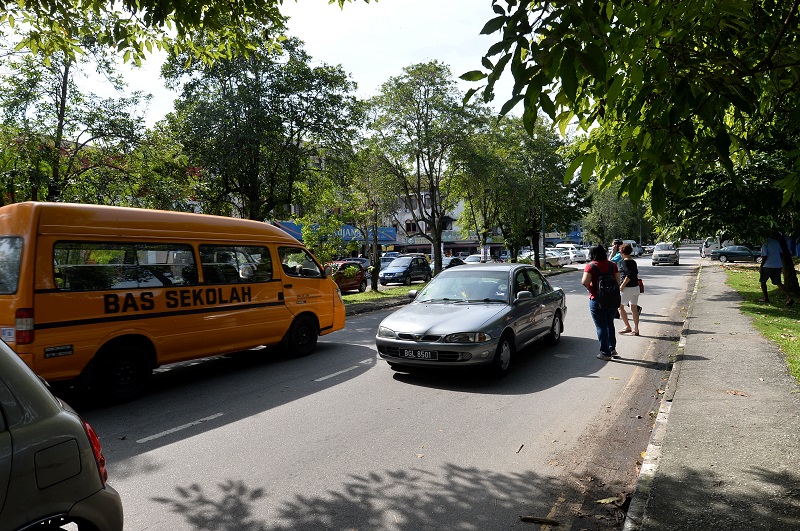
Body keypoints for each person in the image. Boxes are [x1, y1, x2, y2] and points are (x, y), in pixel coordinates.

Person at [581, 244, 621, 361]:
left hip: (597, 299)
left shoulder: (590, 266)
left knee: (601, 326)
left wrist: (592, 290)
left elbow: (585, 282)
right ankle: (612, 348)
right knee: (610, 323)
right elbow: (618, 281)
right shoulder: (612, 265)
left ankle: (605, 353)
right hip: (612, 299)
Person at [759, 234, 794, 306]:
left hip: (767, 266)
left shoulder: (765, 243)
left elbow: (764, 256)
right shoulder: (776, 242)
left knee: (763, 281)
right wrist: (778, 261)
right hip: (777, 265)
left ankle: (766, 298)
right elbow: (781, 253)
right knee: (778, 282)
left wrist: (761, 266)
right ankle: (788, 297)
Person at [617, 243, 641, 335]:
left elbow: (629, 275)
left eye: (620, 252)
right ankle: (636, 329)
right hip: (635, 287)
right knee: (633, 308)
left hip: (627, 288)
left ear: (623, 252)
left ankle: (627, 326)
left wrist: (622, 285)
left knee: (620, 307)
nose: (620, 253)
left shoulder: (625, 262)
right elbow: (635, 274)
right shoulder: (633, 262)